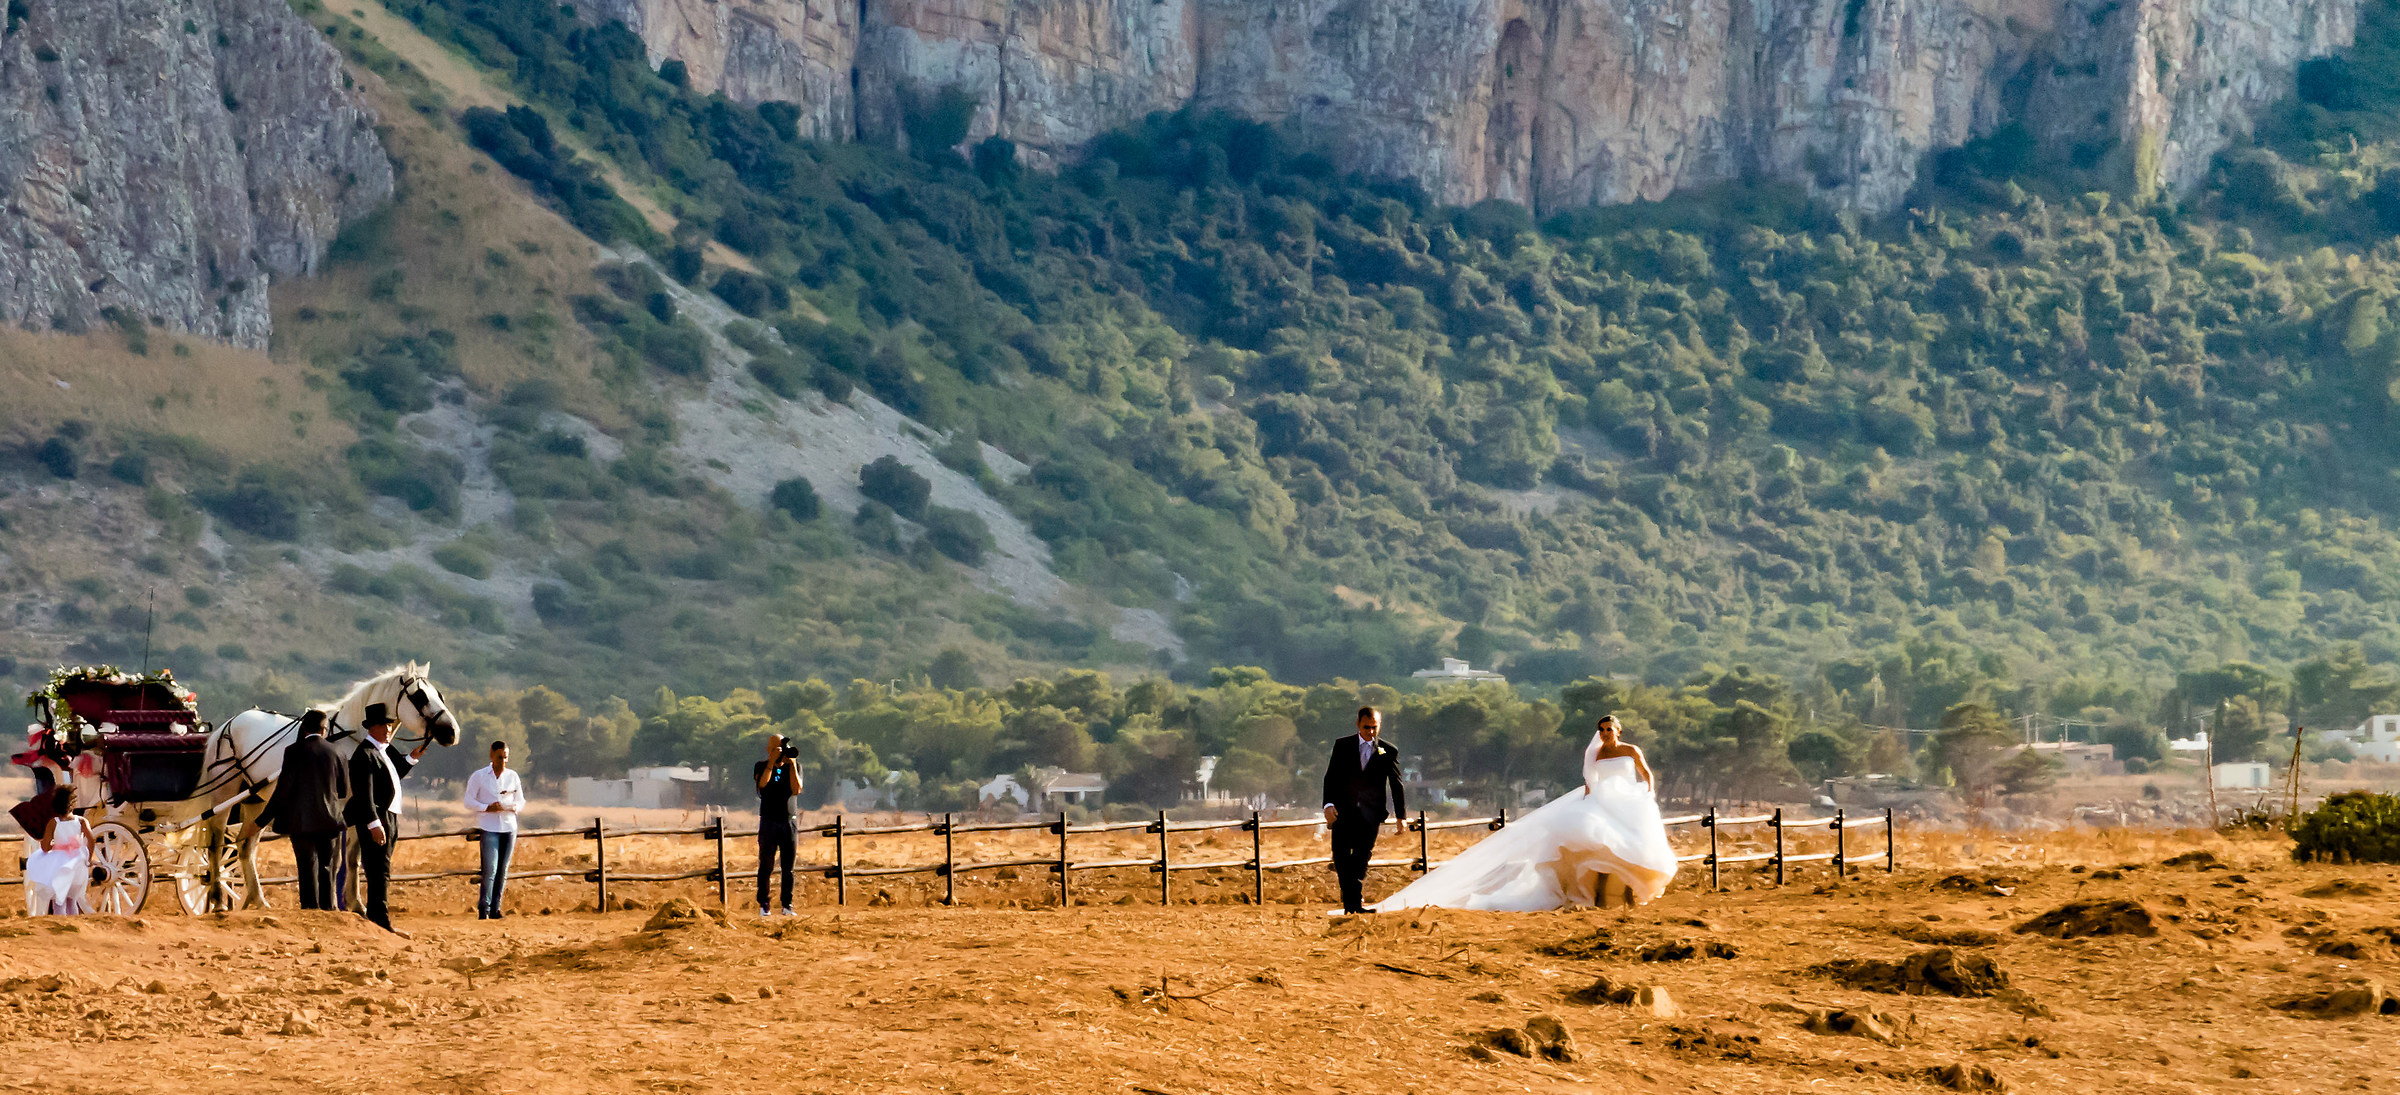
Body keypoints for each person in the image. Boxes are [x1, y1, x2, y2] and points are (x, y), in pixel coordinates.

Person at [1370, 715, 1678, 912]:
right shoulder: (1596, 753)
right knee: (1598, 849)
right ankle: (1596, 896)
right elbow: (1590, 781)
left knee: (1631, 851)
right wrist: (1589, 800)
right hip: (1602, 802)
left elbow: (1645, 773)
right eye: (1602, 730)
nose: (1606, 734)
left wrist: (1647, 793)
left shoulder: (1630, 750)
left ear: (1619, 731)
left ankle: (1626, 896)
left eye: (1610, 730)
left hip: (1628, 802)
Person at [344, 703, 428, 933]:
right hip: (377, 817)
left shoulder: (385, 751)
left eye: (390, 725)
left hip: (389, 815)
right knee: (377, 869)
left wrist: (411, 758)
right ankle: (379, 920)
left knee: (383, 868)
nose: (389, 729)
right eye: (384, 725)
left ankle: (378, 917)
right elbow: (364, 795)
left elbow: (394, 774)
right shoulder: (364, 755)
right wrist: (374, 823)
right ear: (372, 728)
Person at [255, 710, 349, 911]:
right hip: (330, 821)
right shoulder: (337, 752)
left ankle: (309, 909)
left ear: (304, 728)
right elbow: (342, 790)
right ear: (324, 730)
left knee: (307, 868)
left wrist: (261, 821)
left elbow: (282, 791)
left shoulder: (293, 751)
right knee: (327, 868)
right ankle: (328, 909)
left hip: (302, 821)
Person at [1322, 706, 1407, 915]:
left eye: (1374, 727)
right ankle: (1351, 903)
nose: (1370, 732)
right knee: (1341, 858)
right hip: (1343, 813)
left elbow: (1396, 784)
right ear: (1358, 724)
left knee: (1361, 858)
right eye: (1366, 727)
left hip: (1370, 815)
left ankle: (1354, 905)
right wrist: (1328, 804)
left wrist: (1401, 816)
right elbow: (1330, 776)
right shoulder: (1342, 746)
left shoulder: (1388, 751)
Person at [462, 739, 524, 919]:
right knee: (490, 869)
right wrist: (487, 807)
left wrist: (514, 807)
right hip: (489, 827)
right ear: (491, 755)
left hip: (509, 826)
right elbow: (468, 801)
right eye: (499, 757)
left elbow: (521, 800)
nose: (502, 762)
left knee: (503, 870)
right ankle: (484, 908)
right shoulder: (479, 776)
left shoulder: (513, 776)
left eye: (505, 758)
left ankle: (496, 908)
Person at [754, 734, 803, 917]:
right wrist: (771, 763)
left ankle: (787, 905)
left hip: (788, 821)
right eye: (776, 748)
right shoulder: (760, 766)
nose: (780, 752)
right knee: (766, 864)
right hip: (768, 821)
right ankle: (764, 904)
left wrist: (791, 766)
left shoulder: (794, 767)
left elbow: (797, 789)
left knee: (788, 867)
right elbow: (762, 785)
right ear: (769, 750)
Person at [23, 788, 89, 916]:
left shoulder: (53, 823)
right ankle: (73, 923)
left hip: (58, 863)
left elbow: (45, 847)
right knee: (72, 900)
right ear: (73, 805)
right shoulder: (81, 821)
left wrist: (52, 845)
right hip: (76, 862)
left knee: (59, 900)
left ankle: (60, 923)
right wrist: (89, 857)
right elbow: (91, 839)